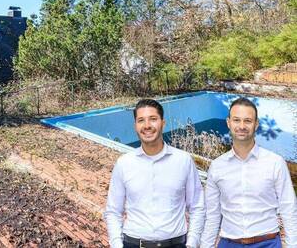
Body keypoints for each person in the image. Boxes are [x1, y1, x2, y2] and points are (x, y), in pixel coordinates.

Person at [105, 99, 205, 248]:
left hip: (176, 244)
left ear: (163, 123)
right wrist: (117, 245)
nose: (147, 125)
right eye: (141, 120)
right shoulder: (124, 163)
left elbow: (197, 206)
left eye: (153, 119)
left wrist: (192, 243)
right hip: (133, 244)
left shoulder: (183, 161)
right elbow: (113, 211)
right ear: (135, 126)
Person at [200, 97, 297, 248]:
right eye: (236, 120)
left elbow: (289, 208)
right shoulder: (217, 166)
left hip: (268, 243)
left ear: (256, 124)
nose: (242, 126)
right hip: (229, 243)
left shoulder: (275, 163)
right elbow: (212, 215)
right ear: (228, 123)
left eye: (248, 121)